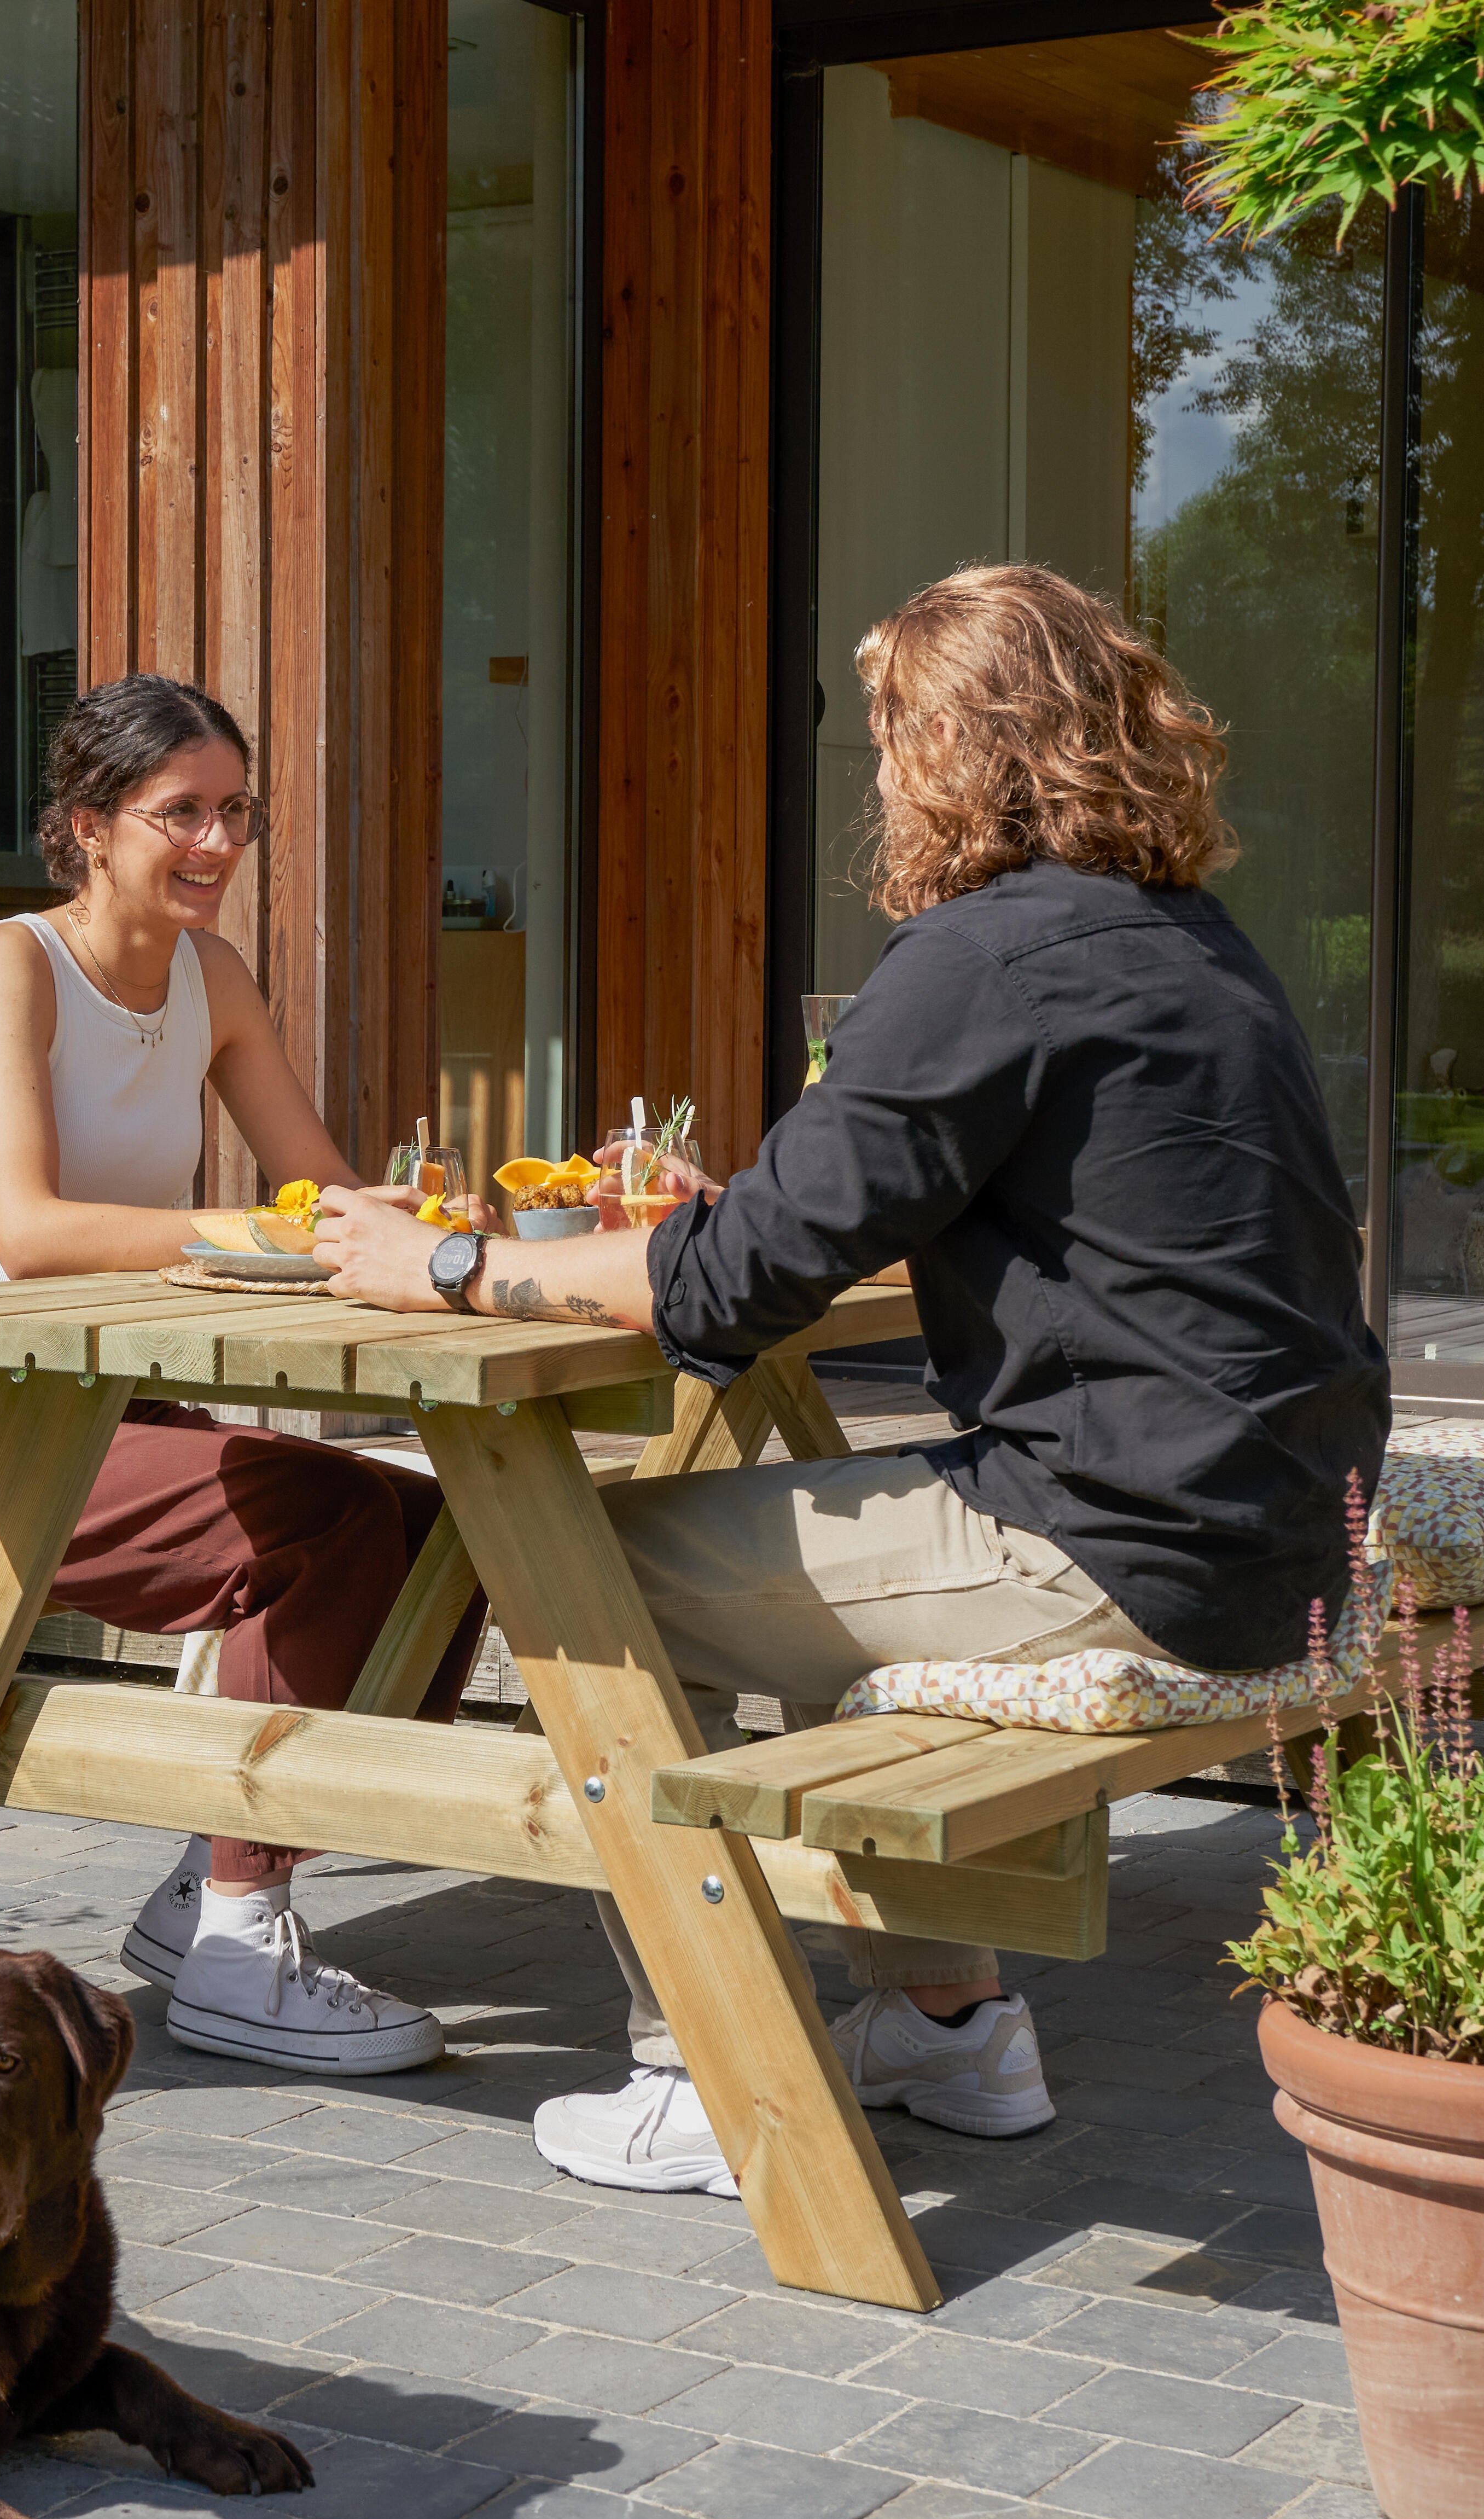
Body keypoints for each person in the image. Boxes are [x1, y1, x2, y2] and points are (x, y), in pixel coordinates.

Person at [316, 565, 1389, 2191]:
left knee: (592, 1569)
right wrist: (732, 1225)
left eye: (893, 735)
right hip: (1279, 1539)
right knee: (811, 1539)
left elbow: (735, 1286)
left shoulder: (982, 957)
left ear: (963, 748)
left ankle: (703, 2071)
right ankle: (947, 2024)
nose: (879, 776)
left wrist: (449, 1268)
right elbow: (808, 1227)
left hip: (1122, 1549)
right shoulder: (1191, 944)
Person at [0, 672, 476, 2076]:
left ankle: (225, 1886)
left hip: (122, 1404)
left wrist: (438, 1226)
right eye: (180, 815)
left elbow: (316, 1188)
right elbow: (26, 1233)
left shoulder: (210, 979)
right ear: (89, 824)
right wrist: (260, 1230)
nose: (216, 844)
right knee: (322, 1528)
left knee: (443, 1529)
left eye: (234, 812)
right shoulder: (10, 965)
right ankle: (240, 1941)